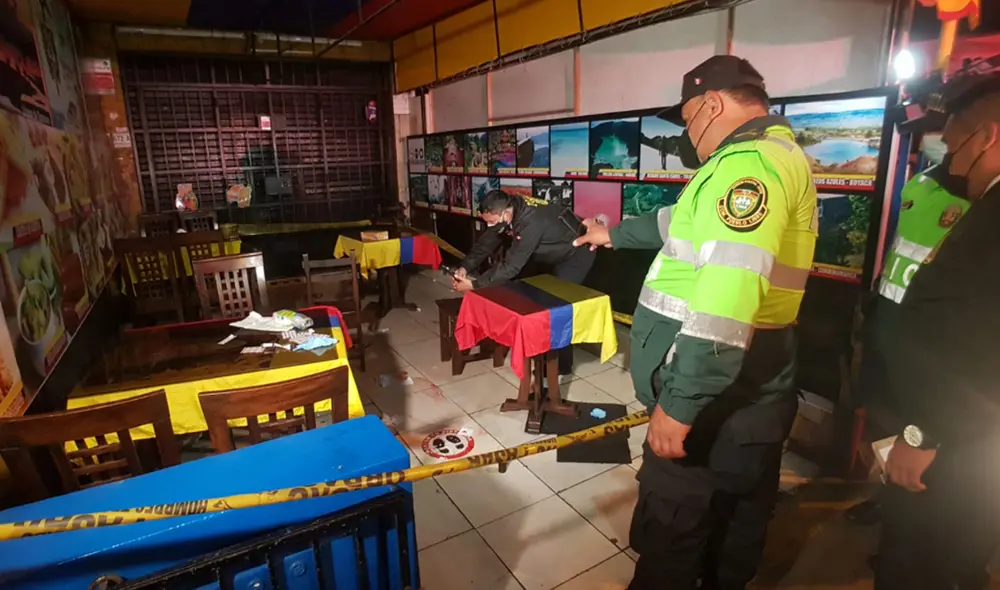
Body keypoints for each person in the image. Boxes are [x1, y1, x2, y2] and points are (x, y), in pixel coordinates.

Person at [574, 55, 816, 589]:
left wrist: (680, 406)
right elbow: (674, 223)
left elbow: (725, 303)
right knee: (736, 527)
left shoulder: (747, 165)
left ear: (712, 104)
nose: (686, 135)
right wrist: (611, 235)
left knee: (673, 540)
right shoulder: (772, 159)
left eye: (686, 120)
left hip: (717, 403)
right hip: (755, 392)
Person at [874, 72, 1000, 590]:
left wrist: (921, 431)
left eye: (954, 143)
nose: (950, 158)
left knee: (923, 557)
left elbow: (971, 338)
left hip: (959, 442)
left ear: (988, 137)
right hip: (977, 442)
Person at [847, 141, 971, 528]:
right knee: (883, 428)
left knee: (926, 445)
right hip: (887, 335)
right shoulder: (921, 184)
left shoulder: (985, 204)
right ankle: (888, 502)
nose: (949, 138)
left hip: (931, 354)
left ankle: (920, 524)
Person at [452, 189, 595, 376]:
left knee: (558, 307)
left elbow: (511, 266)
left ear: (504, 213)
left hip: (577, 254)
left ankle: (560, 365)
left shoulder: (530, 221)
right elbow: (486, 242)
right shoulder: (509, 209)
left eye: (491, 221)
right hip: (552, 249)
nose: (489, 225)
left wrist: (474, 285)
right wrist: (465, 267)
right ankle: (540, 349)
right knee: (534, 300)